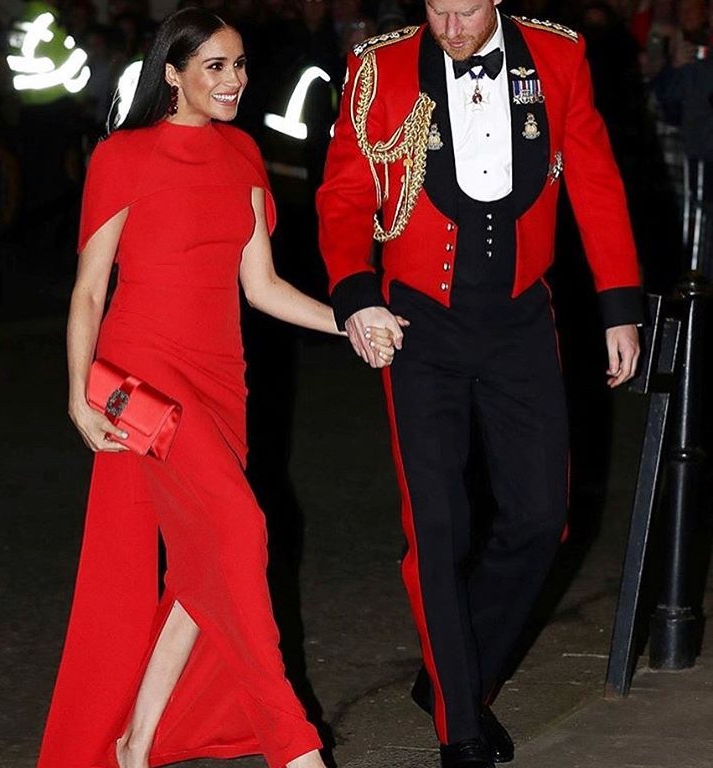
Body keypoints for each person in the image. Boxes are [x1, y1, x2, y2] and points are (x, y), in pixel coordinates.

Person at [36, 9, 397, 768]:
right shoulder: (123, 156)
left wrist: (353, 320)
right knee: (241, 528)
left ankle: (138, 740)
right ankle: (294, 745)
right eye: (216, 67)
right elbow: (89, 292)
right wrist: (79, 392)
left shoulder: (242, 154)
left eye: (239, 66)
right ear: (172, 73)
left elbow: (261, 287)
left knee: (206, 561)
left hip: (221, 381)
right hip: (142, 380)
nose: (234, 80)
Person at [316, 1, 642, 766]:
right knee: (437, 529)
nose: (451, 26)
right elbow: (343, 195)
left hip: (523, 320)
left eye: (465, 9)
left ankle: (450, 674)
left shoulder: (558, 58)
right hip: (418, 326)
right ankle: (459, 727)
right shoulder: (378, 68)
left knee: (540, 519)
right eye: (437, 7)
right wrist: (356, 293)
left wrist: (619, 305)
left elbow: (594, 178)